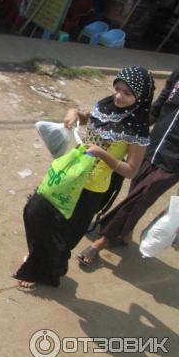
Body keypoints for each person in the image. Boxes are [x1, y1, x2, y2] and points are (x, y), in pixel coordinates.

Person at [13, 66, 155, 288]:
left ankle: (43, 270)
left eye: (127, 93)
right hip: (71, 175)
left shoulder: (138, 129)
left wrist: (101, 153)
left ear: (141, 96)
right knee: (36, 211)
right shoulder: (106, 105)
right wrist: (73, 113)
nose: (119, 96)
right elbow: (87, 117)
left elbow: (130, 170)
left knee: (65, 235)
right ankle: (39, 257)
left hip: (93, 189)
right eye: (117, 89)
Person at [78, 68, 179, 267]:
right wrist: (125, 124)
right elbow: (157, 107)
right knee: (135, 192)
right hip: (151, 146)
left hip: (174, 160)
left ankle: (101, 242)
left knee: (141, 196)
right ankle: (124, 232)